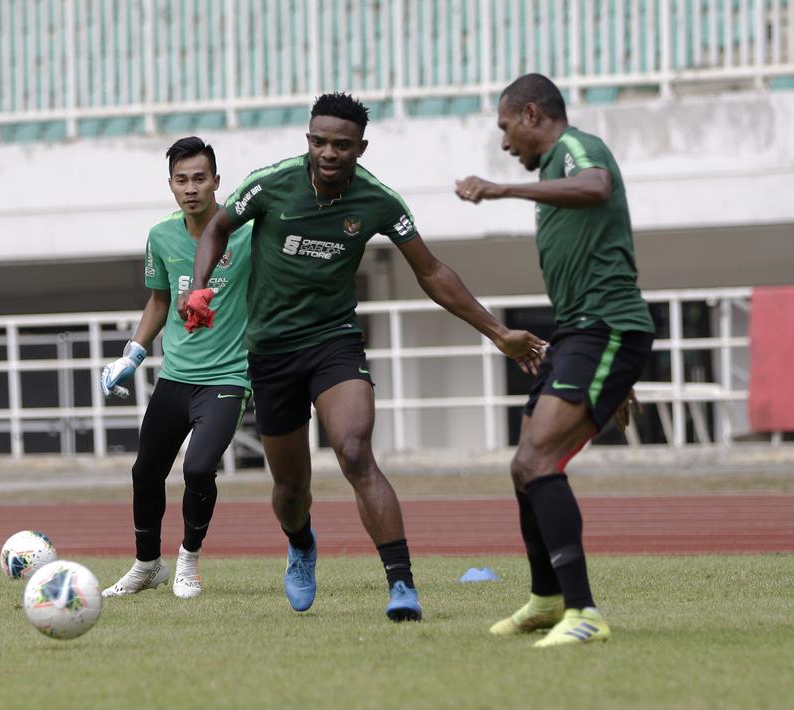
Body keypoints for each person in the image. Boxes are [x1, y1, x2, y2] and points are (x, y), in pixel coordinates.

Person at [182, 92, 545, 620]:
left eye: (341, 145)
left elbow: (432, 272)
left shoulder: (378, 200)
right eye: (319, 141)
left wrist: (496, 331)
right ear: (308, 140)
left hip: (334, 342)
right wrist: (199, 286)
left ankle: (402, 586)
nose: (328, 153)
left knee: (354, 451)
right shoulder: (272, 183)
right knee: (290, 488)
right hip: (272, 353)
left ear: (361, 148)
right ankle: (302, 544)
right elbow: (218, 226)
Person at [455, 73, 654, 647]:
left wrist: (502, 191)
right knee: (524, 464)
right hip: (582, 336)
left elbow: (596, 186)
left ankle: (584, 612)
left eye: (505, 127)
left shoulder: (576, 150)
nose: (503, 143)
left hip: (606, 329)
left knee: (540, 460)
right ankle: (546, 600)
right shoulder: (550, 171)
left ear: (532, 113)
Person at [100, 137, 253, 599]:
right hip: (175, 378)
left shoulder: (247, 232)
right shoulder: (161, 235)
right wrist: (132, 354)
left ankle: (188, 561)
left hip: (227, 378)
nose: (191, 188)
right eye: (182, 180)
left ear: (216, 182)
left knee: (200, 468)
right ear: (170, 185)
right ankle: (148, 565)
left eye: (200, 179)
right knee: (145, 471)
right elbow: (159, 301)